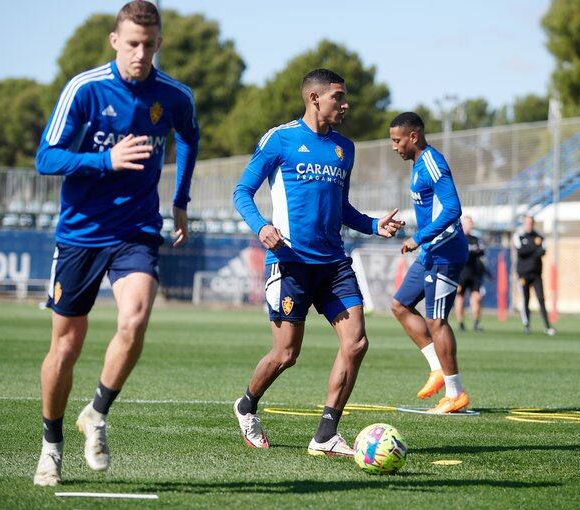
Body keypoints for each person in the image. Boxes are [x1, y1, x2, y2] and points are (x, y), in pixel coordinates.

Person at [33, 0, 199, 486]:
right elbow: (46, 157)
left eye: (149, 45)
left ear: (159, 44)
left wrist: (180, 200)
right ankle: (51, 445)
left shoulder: (173, 95)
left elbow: (189, 136)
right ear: (115, 41)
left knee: (136, 317)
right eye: (132, 44)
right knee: (66, 347)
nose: (140, 54)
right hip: (81, 233)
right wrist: (105, 162)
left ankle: (98, 413)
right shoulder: (84, 89)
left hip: (137, 230)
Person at [232, 68, 404, 456]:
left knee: (356, 342)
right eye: (338, 98)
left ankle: (325, 434)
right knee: (286, 354)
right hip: (289, 262)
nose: (346, 105)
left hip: (333, 265)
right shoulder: (281, 139)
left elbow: (342, 208)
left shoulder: (346, 148)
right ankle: (246, 405)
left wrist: (376, 224)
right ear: (314, 98)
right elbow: (242, 191)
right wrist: (261, 227)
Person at [389, 112, 470, 414]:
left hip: (446, 252)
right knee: (400, 305)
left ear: (414, 136)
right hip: (431, 252)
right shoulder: (417, 165)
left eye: (397, 140)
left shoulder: (433, 161)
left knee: (437, 321)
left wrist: (419, 237)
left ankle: (455, 393)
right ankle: (437, 368)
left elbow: (453, 209)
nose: (394, 146)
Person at [513, 215, 556, 336]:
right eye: (527, 223)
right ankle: (526, 325)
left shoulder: (539, 236)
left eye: (531, 223)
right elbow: (521, 251)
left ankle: (547, 326)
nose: (529, 225)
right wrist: (534, 248)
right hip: (523, 274)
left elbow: (543, 252)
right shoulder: (519, 235)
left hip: (536, 273)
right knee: (525, 299)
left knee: (541, 299)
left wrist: (531, 249)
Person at [455, 216, 488, 332]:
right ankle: (460, 323)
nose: (471, 224)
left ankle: (476, 323)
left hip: (475, 273)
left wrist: (473, 252)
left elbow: (482, 251)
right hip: (462, 273)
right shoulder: (458, 238)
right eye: (469, 222)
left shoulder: (475, 239)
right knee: (460, 298)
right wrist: (471, 252)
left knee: (476, 298)